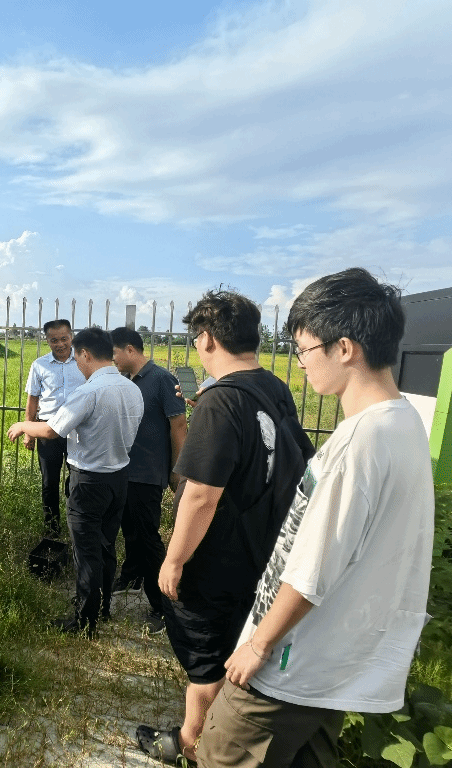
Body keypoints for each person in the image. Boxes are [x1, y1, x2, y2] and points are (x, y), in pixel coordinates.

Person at [197, 268, 435, 768]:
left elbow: (312, 571)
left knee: (221, 755)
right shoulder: (403, 421)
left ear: (344, 348)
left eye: (304, 349)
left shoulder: (359, 442)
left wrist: (259, 645)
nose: (300, 362)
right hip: (331, 662)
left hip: (290, 662)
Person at [137, 290, 305, 765]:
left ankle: (194, 746)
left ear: (207, 338)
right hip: (263, 549)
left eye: (196, 338)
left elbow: (201, 494)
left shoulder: (221, 401)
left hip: (217, 557)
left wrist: (174, 559)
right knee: (233, 645)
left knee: (205, 660)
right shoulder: (272, 387)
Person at [8, 327, 144, 638]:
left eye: (77, 358)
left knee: (86, 553)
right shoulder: (131, 388)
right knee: (106, 546)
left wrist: (23, 425)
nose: (77, 365)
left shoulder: (89, 392)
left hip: (89, 482)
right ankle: (103, 607)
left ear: (84, 354)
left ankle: (84, 620)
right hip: (119, 478)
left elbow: (52, 430)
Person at [110, 326, 187, 633]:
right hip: (127, 470)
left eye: (114, 353)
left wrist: (178, 470)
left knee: (147, 538)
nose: (112, 359)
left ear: (130, 349)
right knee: (130, 530)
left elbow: (178, 425)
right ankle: (132, 576)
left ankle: (164, 607)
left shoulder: (161, 379)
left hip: (148, 472)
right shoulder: (128, 380)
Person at [23, 319, 86, 537]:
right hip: (47, 429)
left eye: (64, 339)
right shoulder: (39, 365)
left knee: (77, 479)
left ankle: (76, 524)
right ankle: (52, 529)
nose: (60, 344)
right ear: (47, 341)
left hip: (78, 430)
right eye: (54, 340)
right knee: (49, 481)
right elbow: (33, 399)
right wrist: (29, 432)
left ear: (72, 337)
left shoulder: (83, 361)